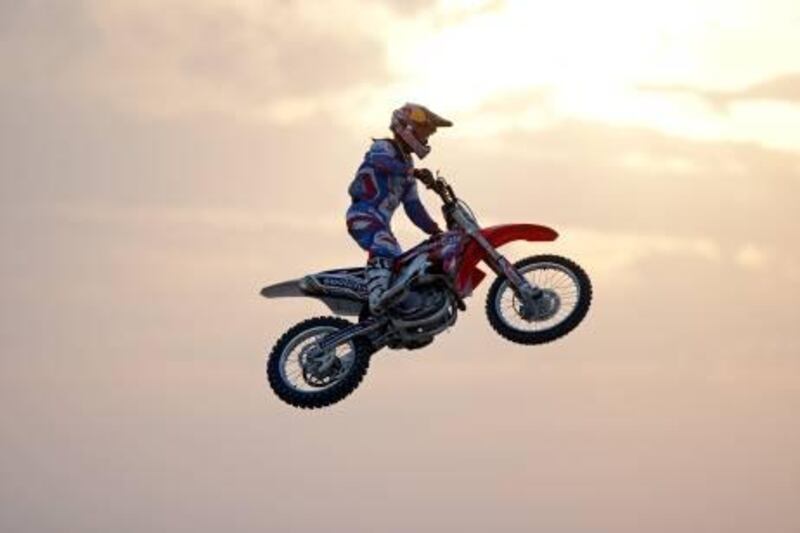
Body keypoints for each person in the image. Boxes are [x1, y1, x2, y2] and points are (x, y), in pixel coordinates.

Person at [346, 103, 453, 314]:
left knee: (400, 262)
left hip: (379, 223)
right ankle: (377, 299)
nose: (426, 138)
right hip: (363, 215)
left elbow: (414, 208)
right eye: (424, 132)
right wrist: (411, 171)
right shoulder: (384, 147)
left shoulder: (408, 168)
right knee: (386, 248)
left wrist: (435, 231)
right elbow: (381, 162)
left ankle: (394, 305)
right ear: (408, 128)